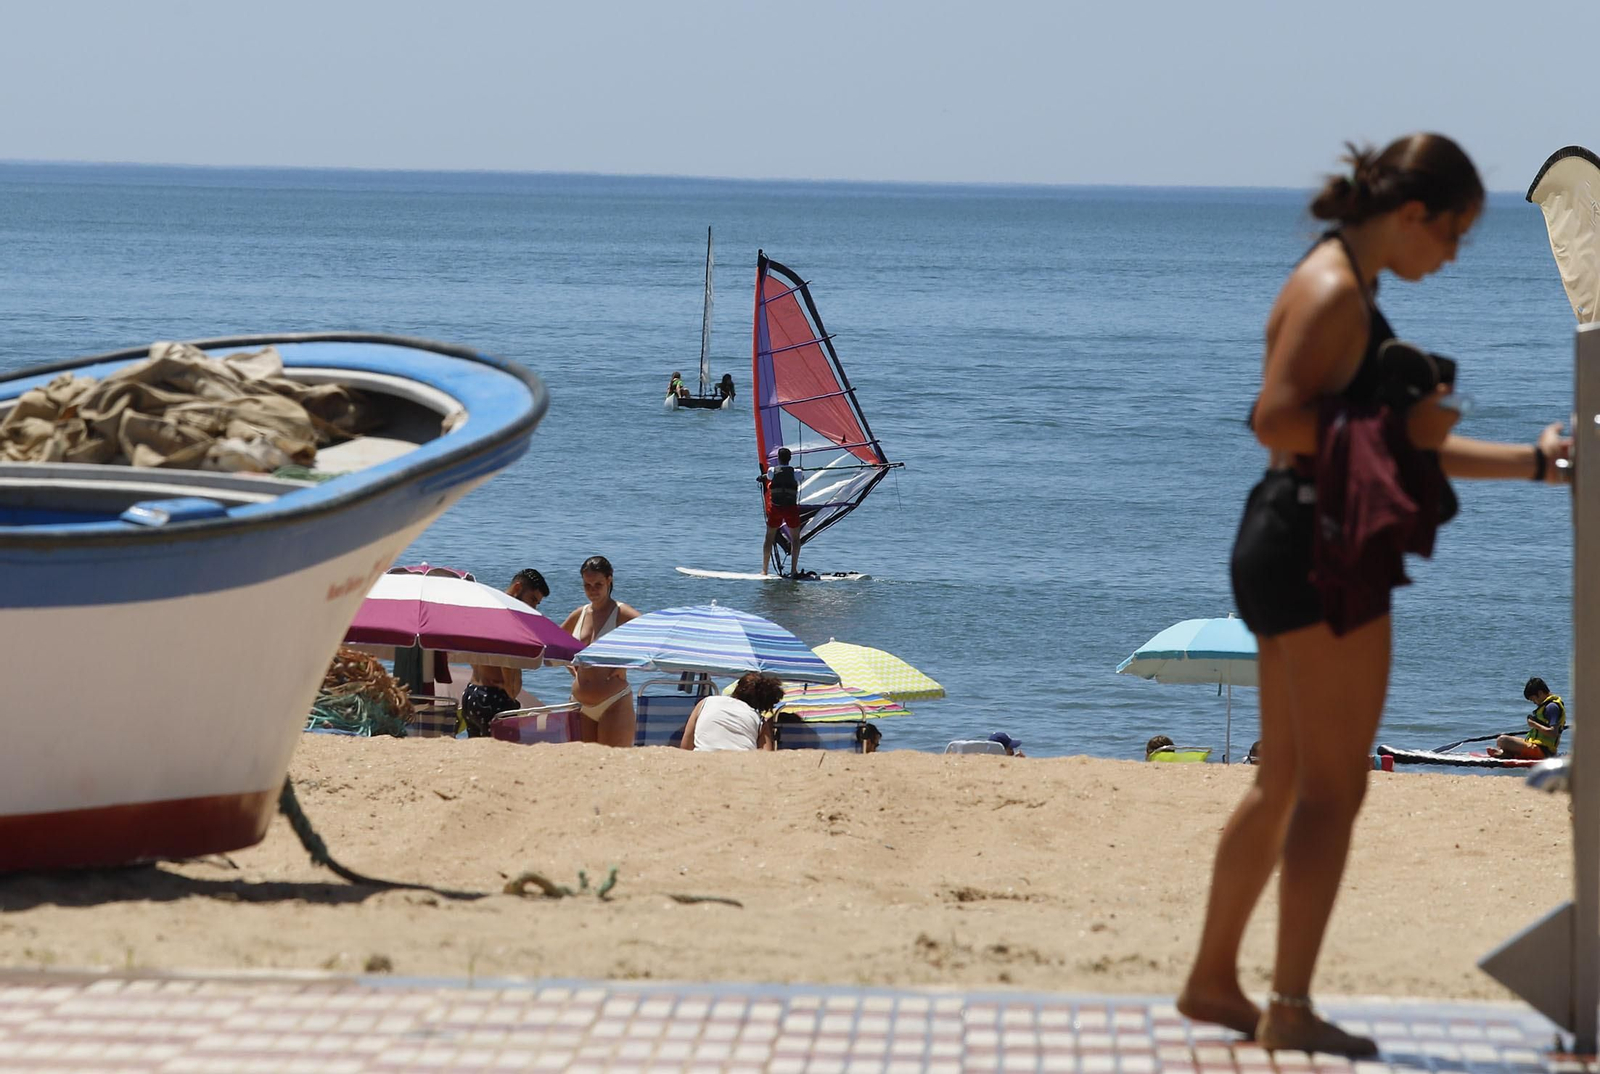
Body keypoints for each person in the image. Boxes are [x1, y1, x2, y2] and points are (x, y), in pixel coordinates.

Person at [1178, 134, 1572, 1058]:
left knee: (1283, 782)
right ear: (1412, 214)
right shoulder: (1333, 291)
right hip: (1316, 548)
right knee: (1332, 788)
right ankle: (1289, 1003)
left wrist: (1534, 463)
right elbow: (1276, 418)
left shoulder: (1339, 281)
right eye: (1456, 233)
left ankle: (1213, 980)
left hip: (1286, 535)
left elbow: (1391, 442)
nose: (1455, 255)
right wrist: (1399, 425)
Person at [561, 555, 641, 747]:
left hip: (613, 702)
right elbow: (554, 644)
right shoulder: (579, 614)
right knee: (583, 762)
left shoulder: (621, 612)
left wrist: (626, 664)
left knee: (611, 761)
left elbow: (653, 635)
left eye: (598, 584)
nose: (592, 590)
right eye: (587, 585)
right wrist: (569, 665)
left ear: (609, 580)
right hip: (579, 704)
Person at [460, 569, 547, 736]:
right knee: (503, 750)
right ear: (517, 588)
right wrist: (511, 690)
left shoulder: (485, 608)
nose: (533, 608)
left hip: (471, 694)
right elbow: (510, 679)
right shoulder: (509, 618)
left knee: (477, 749)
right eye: (532, 600)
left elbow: (471, 651)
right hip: (494, 699)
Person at [677, 671, 782, 751]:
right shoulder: (758, 720)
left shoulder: (706, 702)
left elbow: (686, 747)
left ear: (737, 689)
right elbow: (766, 756)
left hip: (702, 760)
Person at [1490, 677, 1566, 759]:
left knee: (1502, 740)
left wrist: (1534, 724)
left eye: (1533, 699)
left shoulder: (1552, 707)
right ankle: (1508, 753)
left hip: (1543, 751)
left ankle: (1508, 753)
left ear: (1540, 693)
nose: (1534, 703)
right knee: (1503, 737)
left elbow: (1553, 733)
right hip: (1537, 746)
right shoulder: (1547, 706)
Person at [758, 446, 802, 576]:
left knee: (769, 537)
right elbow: (800, 477)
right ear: (790, 459)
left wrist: (763, 476)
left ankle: (764, 570)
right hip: (790, 508)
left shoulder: (772, 471)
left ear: (778, 458)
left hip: (776, 508)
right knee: (795, 539)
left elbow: (769, 476)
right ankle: (793, 570)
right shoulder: (797, 472)